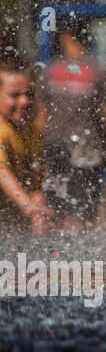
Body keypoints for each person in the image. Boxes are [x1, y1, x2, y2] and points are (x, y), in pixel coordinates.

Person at [39, 21, 106, 229]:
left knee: (56, 202)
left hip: (54, 144)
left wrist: (38, 147)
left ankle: (57, 252)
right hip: (87, 146)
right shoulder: (97, 71)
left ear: (66, 37)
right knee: (85, 207)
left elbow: (41, 115)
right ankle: (82, 252)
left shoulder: (51, 70)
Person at [0, 60, 52, 234]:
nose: (24, 101)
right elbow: (1, 171)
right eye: (14, 95)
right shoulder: (1, 129)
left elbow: (36, 182)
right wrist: (27, 205)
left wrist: (39, 214)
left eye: (29, 94)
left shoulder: (31, 133)